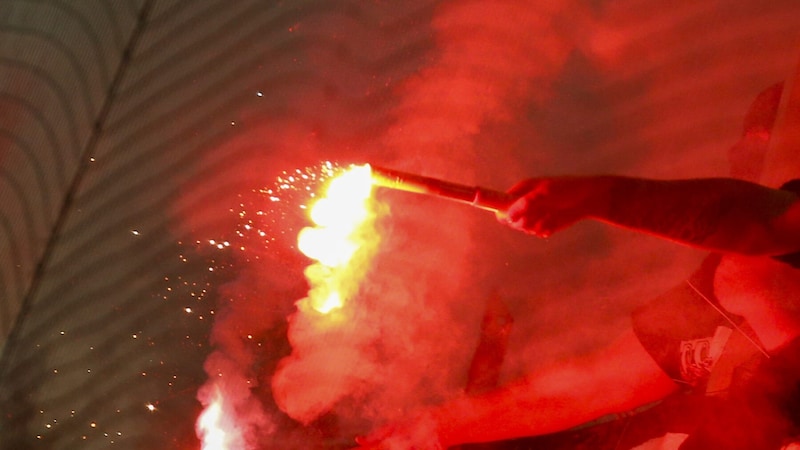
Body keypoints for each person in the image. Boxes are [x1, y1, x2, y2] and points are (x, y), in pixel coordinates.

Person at [356, 84, 800, 449]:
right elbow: (596, 384)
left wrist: (597, 197)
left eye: (764, 131)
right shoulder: (719, 282)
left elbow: (755, 220)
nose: (741, 145)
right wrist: (426, 432)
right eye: (752, 130)